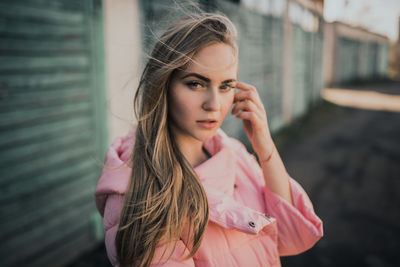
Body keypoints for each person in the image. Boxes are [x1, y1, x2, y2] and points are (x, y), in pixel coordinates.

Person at [95, 10, 323, 267]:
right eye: (195, 83)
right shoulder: (137, 189)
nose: (214, 104)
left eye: (226, 86)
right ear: (163, 86)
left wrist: (264, 145)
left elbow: (292, 235)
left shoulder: (232, 152)